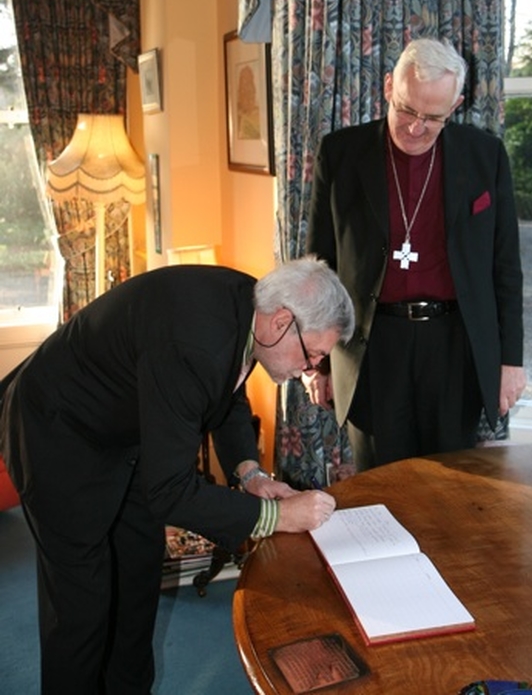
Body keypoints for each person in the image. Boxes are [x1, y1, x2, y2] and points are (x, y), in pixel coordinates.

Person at [0, 256, 354, 695]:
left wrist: (249, 473)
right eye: (314, 353)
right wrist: (276, 517)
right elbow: (169, 491)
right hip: (57, 430)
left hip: (126, 432)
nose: (311, 368)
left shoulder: (253, 307)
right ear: (282, 321)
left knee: (137, 577)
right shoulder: (196, 341)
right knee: (81, 606)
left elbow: (229, 386)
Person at [304, 37, 526, 471]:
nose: (415, 127)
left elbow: (506, 268)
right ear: (389, 86)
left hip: (454, 345)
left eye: (433, 117)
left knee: (450, 487)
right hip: (371, 346)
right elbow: (320, 266)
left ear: (456, 104)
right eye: (406, 109)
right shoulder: (341, 154)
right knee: (380, 485)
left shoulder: (485, 157)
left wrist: (510, 360)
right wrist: (316, 361)